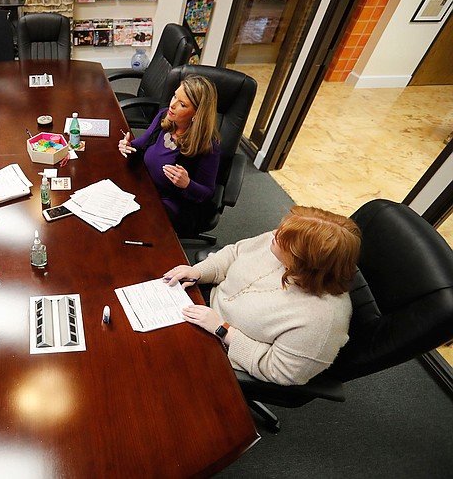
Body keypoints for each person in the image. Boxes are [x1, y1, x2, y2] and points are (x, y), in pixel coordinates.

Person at [164, 206, 362, 386]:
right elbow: (234, 253)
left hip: (222, 347)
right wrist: (198, 271)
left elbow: (281, 371)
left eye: (284, 238)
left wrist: (223, 331)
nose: (274, 234)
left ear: (305, 260)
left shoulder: (321, 320)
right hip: (204, 306)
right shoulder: (280, 242)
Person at [118, 75, 220, 235]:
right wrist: (128, 145)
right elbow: (144, 142)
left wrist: (187, 184)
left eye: (182, 104)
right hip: (145, 186)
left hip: (171, 203)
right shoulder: (165, 116)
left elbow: (207, 193)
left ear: (197, 114)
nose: (171, 105)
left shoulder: (207, 146)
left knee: (131, 228)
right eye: (174, 96)